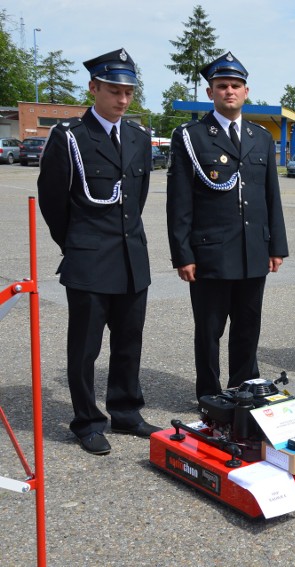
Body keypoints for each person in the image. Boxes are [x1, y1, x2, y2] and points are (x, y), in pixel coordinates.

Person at [38, 48, 159, 455]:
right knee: (85, 347)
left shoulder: (139, 137)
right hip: (89, 260)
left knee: (129, 341)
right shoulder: (69, 136)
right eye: (114, 91)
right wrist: (77, 244)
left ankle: (125, 411)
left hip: (131, 259)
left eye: (128, 92)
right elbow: (53, 201)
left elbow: (135, 198)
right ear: (93, 88)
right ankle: (87, 420)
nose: (123, 100)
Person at [166, 52, 288, 400]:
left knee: (248, 328)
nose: (229, 92)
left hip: (252, 251)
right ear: (210, 92)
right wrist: (182, 254)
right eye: (222, 86)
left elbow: (270, 196)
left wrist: (276, 245)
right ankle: (208, 394)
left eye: (235, 86)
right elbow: (179, 202)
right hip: (211, 253)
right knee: (209, 330)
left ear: (246, 92)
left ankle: (243, 390)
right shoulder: (192, 136)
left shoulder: (260, 137)